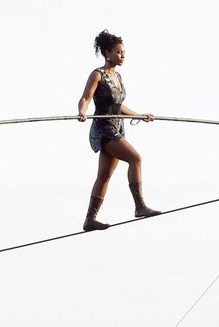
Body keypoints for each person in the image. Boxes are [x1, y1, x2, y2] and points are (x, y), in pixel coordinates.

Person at [78, 30, 160, 231]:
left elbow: (118, 106)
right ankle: (140, 206)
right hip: (104, 129)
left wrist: (139, 115)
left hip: (117, 128)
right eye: (119, 52)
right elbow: (86, 97)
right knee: (135, 158)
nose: (122, 55)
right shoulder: (98, 74)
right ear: (108, 52)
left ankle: (90, 219)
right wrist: (82, 112)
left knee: (104, 176)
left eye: (124, 52)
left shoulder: (118, 77)